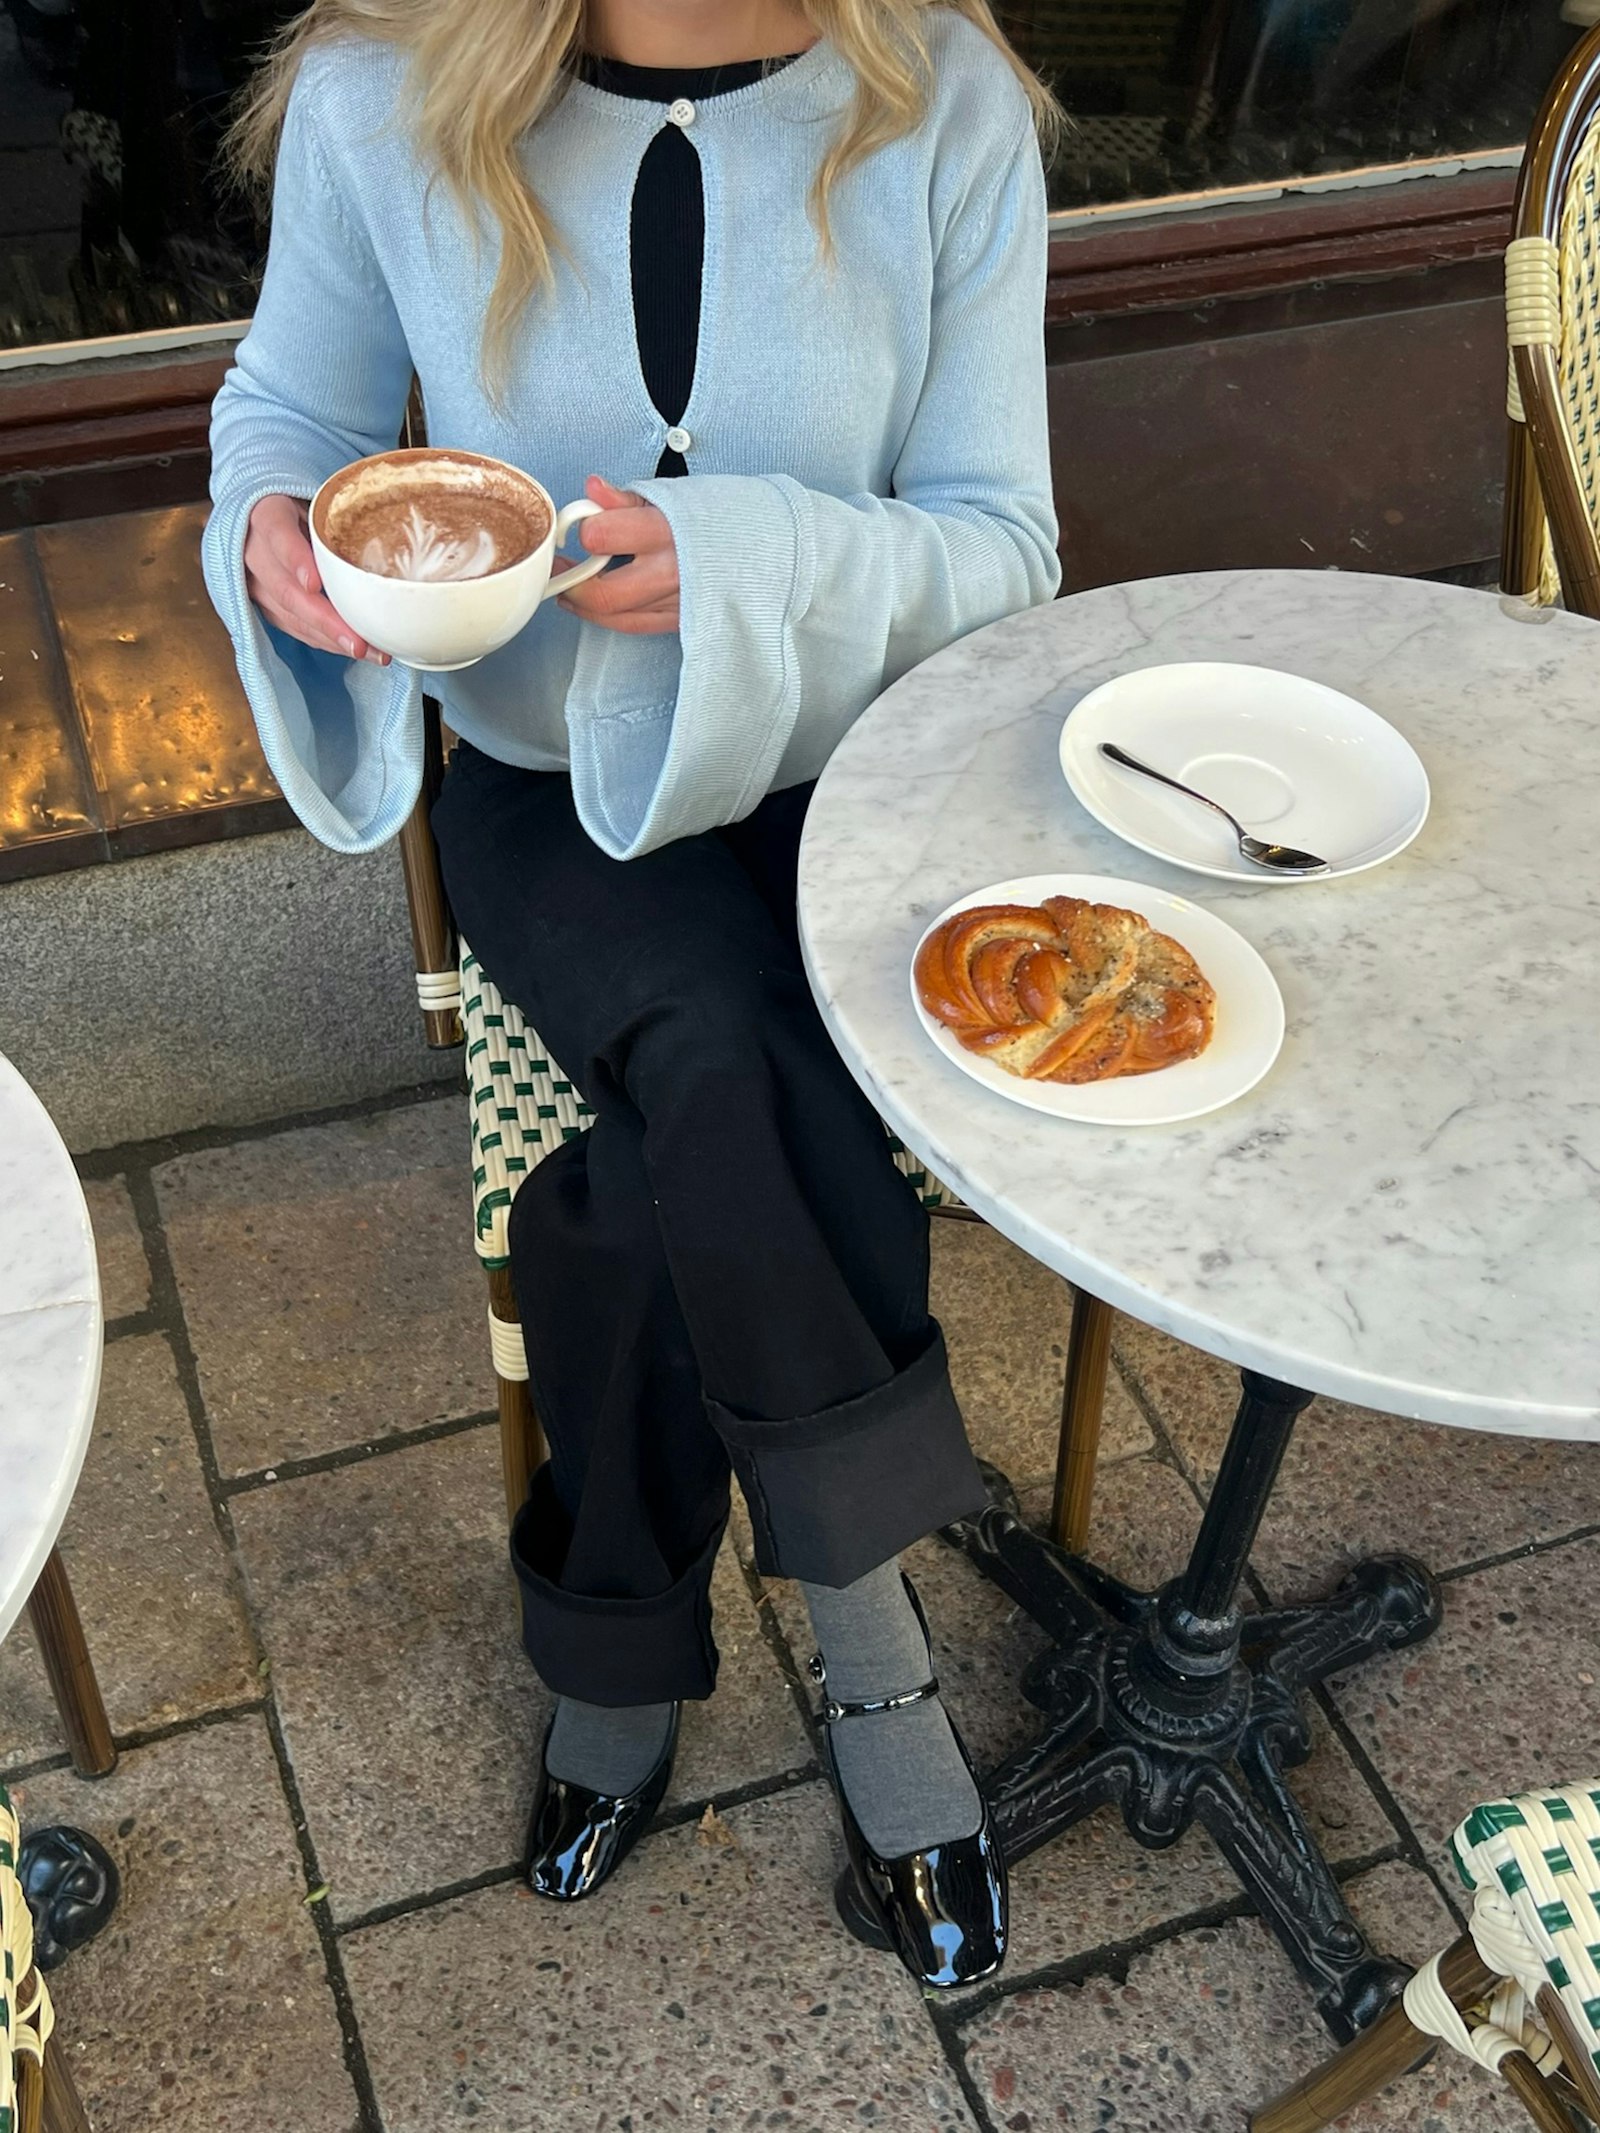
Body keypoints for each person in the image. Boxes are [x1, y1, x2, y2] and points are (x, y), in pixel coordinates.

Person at [204, 0, 1060, 1990]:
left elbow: (1002, 552)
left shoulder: (937, 97)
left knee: (662, 1155)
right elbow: (294, 417)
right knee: (716, 1058)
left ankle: (620, 1647)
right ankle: (872, 1659)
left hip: (855, 778)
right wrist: (266, 533)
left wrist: (742, 557)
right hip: (547, 782)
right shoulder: (373, 96)